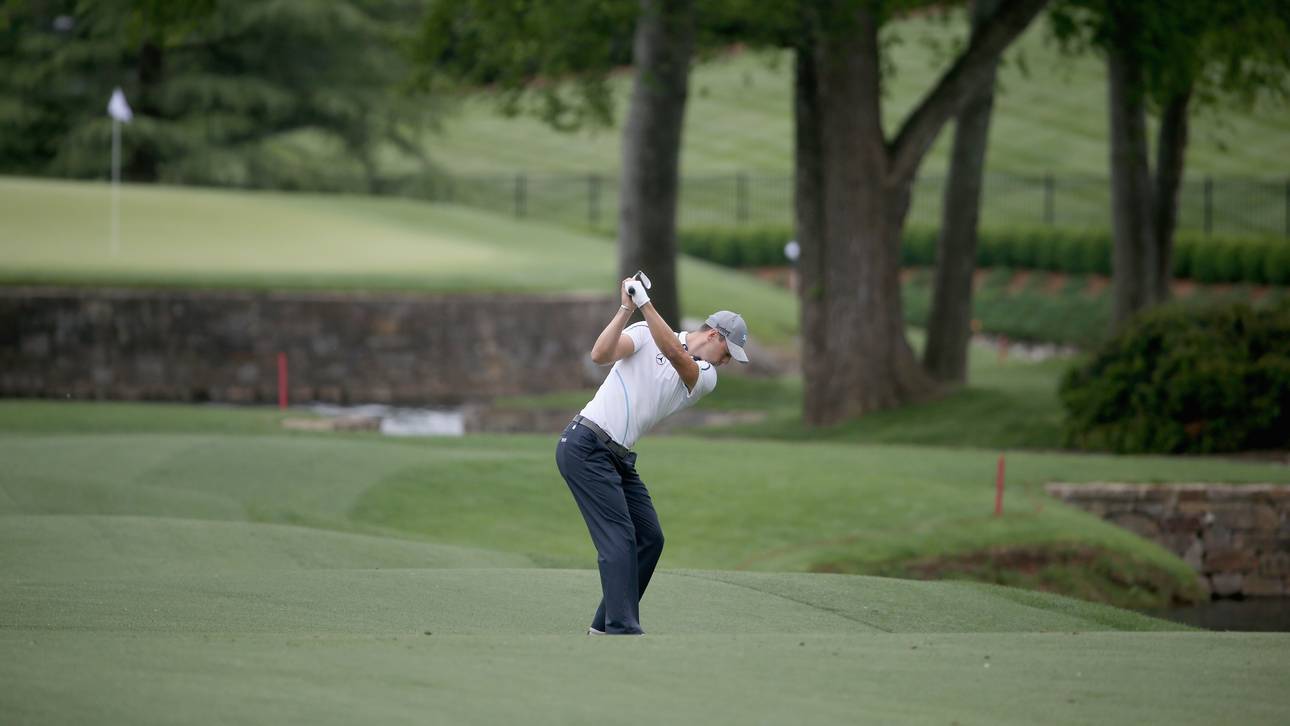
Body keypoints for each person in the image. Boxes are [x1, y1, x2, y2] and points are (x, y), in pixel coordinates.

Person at [555, 275, 749, 635]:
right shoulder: (644, 332)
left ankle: (605, 624)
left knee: (649, 537)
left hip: (618, 456)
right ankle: (620, 626)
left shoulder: (705, 376)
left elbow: (676, 354)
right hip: (585, 444)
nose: (725, 363)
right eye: (727, 354)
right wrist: (627, 308)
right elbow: (599, 355)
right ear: (714, 335)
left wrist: (644, 302)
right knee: (619, 537)